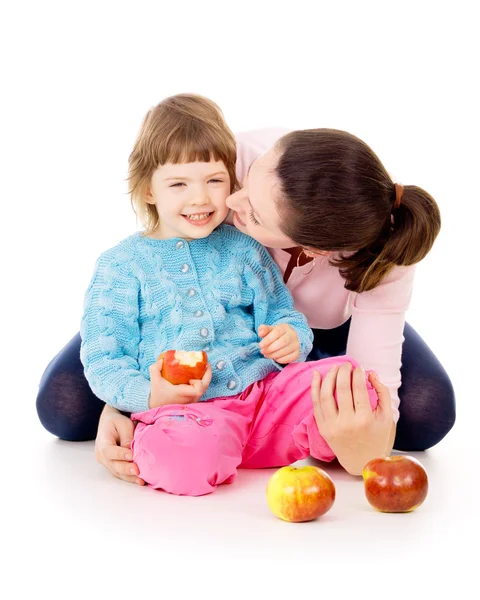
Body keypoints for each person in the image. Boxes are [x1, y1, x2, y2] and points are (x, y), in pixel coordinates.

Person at [36, 99, 455, 488]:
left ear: (313, 247)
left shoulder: (264, 250)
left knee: (416, 407)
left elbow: (287, 317)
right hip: (173, 341)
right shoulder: (227, 163)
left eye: (249, 210)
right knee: (66, 404)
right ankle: (192, 437)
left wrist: (364, 442)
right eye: (238, 181)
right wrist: (135, 400)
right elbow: (172, 178)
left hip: (278, 360)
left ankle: (260, 435)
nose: (223, 199)